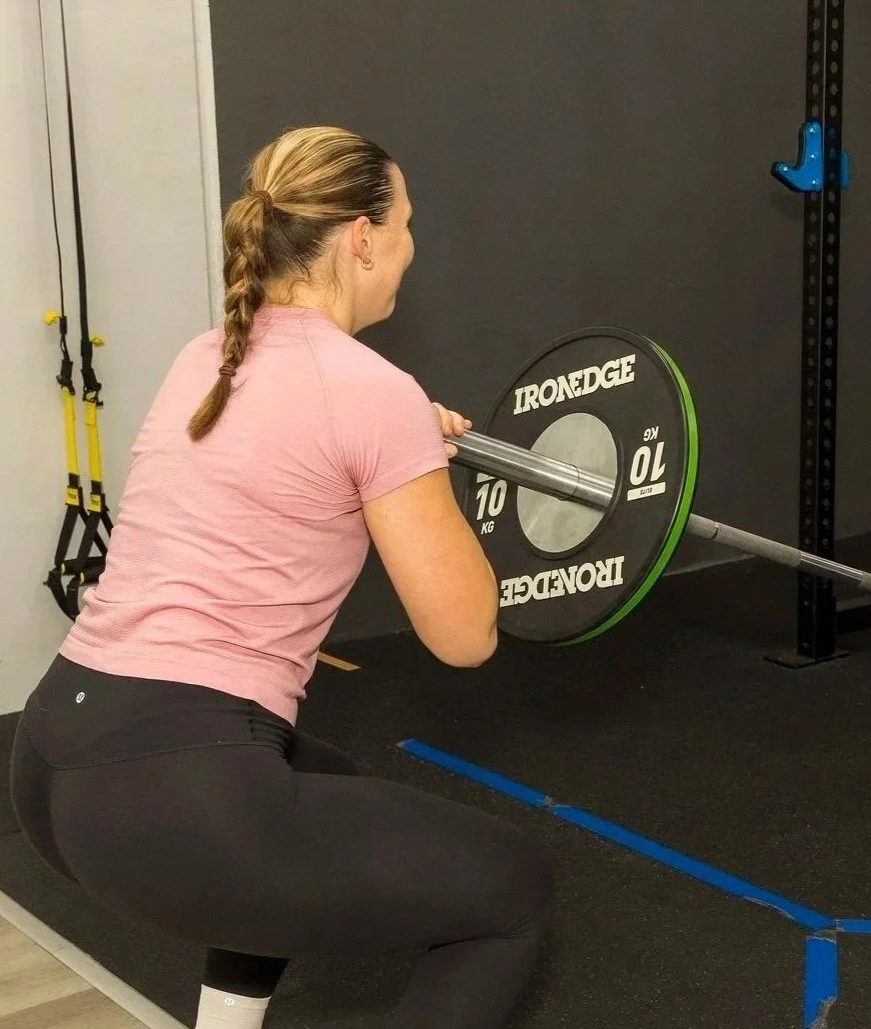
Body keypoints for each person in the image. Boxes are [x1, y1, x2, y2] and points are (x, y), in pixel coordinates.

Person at [8, 126, 553, 1029]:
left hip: (54, 762)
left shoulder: (210, 356)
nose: (414, 246)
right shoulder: (372, 390)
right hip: (170, 796)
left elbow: (292, 449)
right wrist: (425, 468)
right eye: (408, 223)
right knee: (511, 892)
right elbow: (465, 637)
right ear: (362, 237)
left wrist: (402, 444)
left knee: (316, 795)